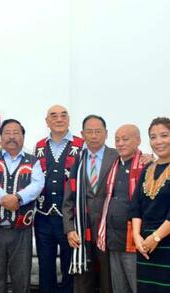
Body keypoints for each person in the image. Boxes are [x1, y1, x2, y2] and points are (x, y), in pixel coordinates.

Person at [0, 119, 44, 293]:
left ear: (23, 137)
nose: (12, 137)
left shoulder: (33, 161)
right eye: (7, 133)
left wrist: (18, 198)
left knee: (21, 276)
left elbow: (37, 184)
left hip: (21, 230)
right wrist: (6, 199)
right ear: (0, 137)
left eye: (16, 133)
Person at [62, 114, 118, 293]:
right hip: (82, 230)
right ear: (82, 134)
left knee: (108, 281)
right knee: (83, 282)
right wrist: (70, 228)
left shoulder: (117, 157)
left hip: (109, 231)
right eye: (89, 132)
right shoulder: (77, 160)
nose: (94, 136)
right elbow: (68, 199)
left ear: (106, 133)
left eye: (98, 131)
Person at [34, 105, 83, 293]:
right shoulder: (38, 146)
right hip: (43, 216)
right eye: (53, 116)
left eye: (63, 115)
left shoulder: (82, 144)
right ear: (47, 121)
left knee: (69, 264)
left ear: (69, 119)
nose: (59, 119)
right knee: (45, 265)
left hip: (70, 217)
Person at [97, 125, 146, 293]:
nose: (120, 143)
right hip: (113, 237)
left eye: (125, 139)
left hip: (134, 238)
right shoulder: (113, 164)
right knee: (118, 287)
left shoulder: (146, 166)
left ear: (138, 141)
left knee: (137, 286)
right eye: (117, 140)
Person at [129, 117, 170, 293]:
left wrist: (156, 238)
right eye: (153, 137)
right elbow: (136, 205)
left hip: (165, 241)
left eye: (164, 135)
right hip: (144, 246)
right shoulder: (148, 168)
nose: (158, 141)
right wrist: (137, 237)